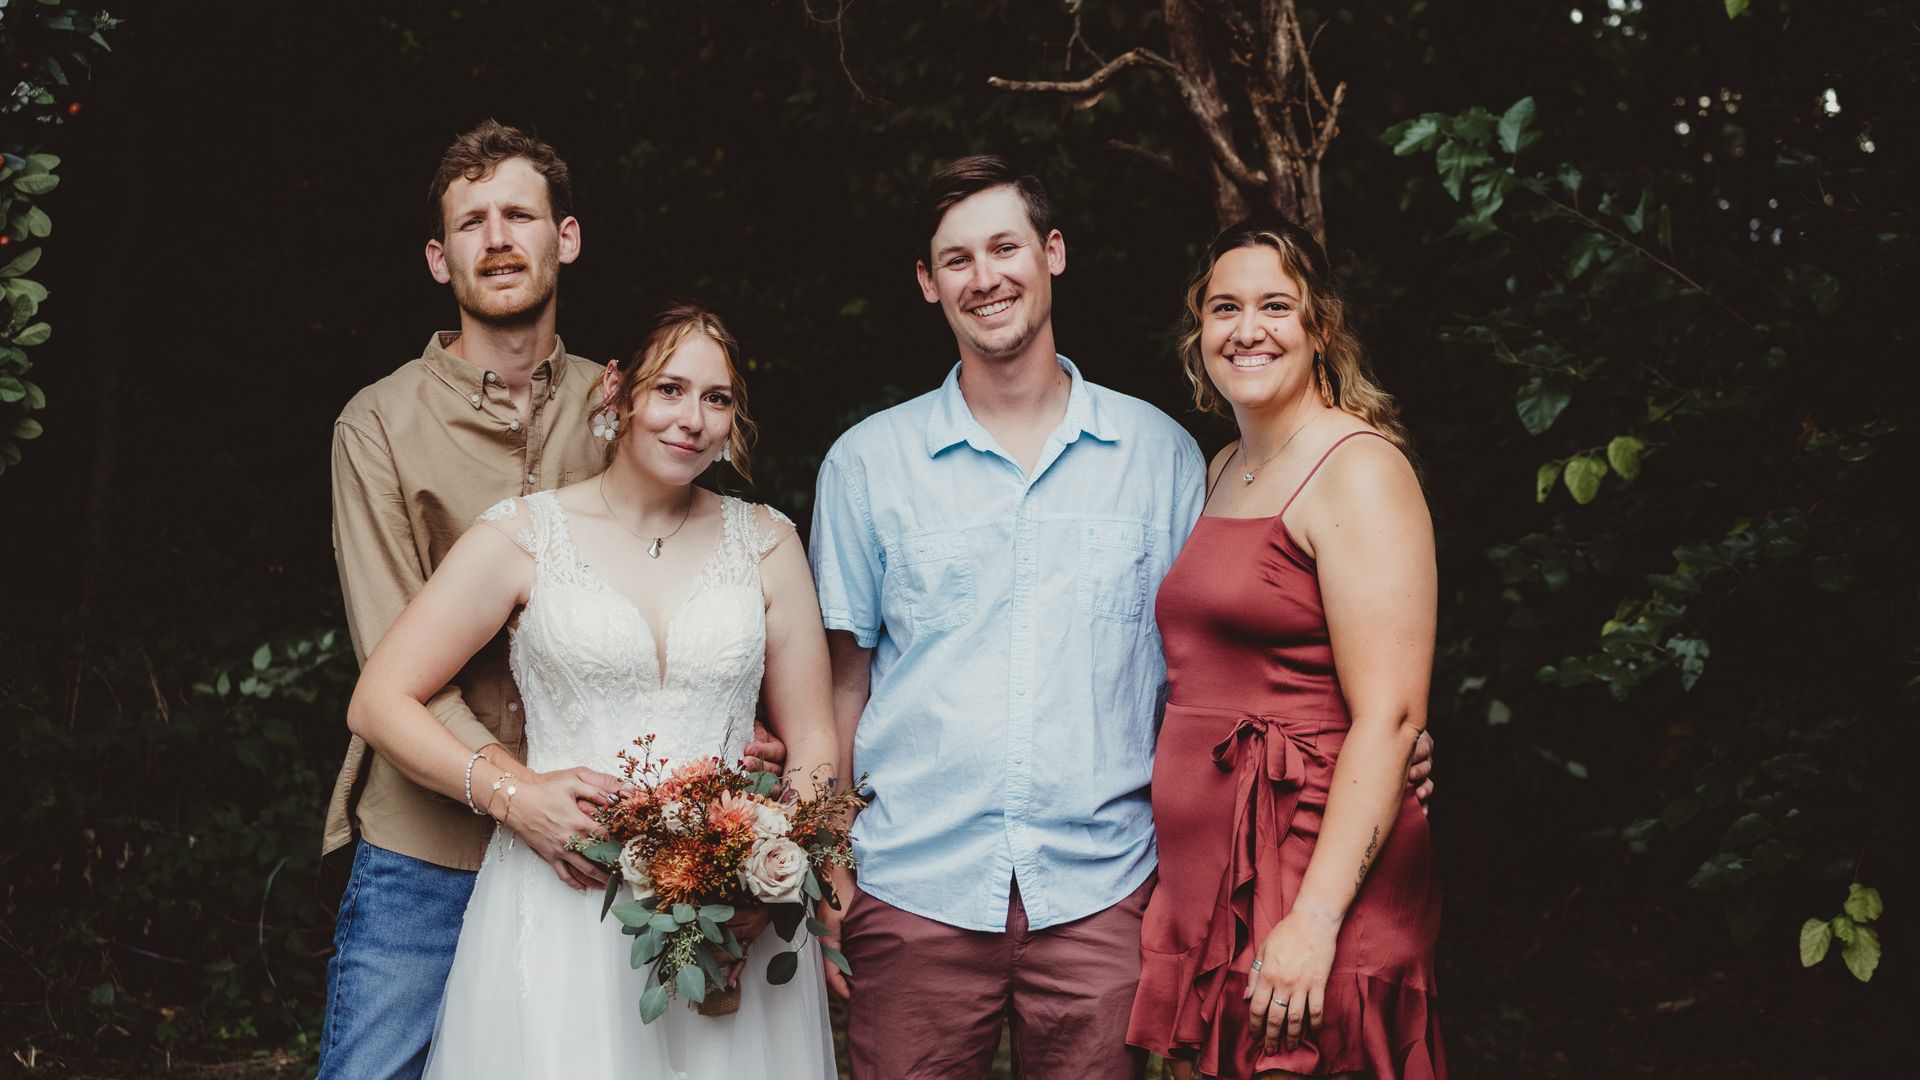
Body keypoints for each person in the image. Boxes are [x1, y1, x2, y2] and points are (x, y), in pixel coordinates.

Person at [807, 158, 1434, 1080]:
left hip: (1106, 891)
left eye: (1006, 247)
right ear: (927, 282)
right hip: (916, 884)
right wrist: (826, 856)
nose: (985, 277)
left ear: (1053, 254)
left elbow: (1248, 655)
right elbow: (841, 682)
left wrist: (1382, 737)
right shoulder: (867, 463)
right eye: (957, 258)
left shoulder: (1166, 458)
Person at [318, 121, 783, 1078]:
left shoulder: (634, 399)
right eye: (472, 223)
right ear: (439, 258)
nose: (498, 239)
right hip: (430, 842)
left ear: (564, 237)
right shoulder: (379, 425)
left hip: (621, 854)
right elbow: (392, 666)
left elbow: (705, 578)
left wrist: (733, 734)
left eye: (520, 216)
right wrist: (519, 794)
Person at [347, 305, 841, 1077]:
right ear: (618, 390)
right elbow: (378, 700)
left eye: (716, 398)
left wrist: (771, 875)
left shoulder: (767, 542)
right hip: (562, 900)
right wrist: (514, 798)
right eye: (670, 389)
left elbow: (812, 738)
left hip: (729, 915)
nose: (692, 418)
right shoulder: (525, 534)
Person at [1125, 218, 1445, 1079]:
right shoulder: (1223, 465)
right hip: (1211, 875)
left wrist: (1315, 920)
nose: (1247, 329)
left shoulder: (1358, 468)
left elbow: (1392, 715)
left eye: (1276, 305)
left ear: (1321, 327)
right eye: (1224, 307)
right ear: (1199, 330)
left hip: (1311, 870)